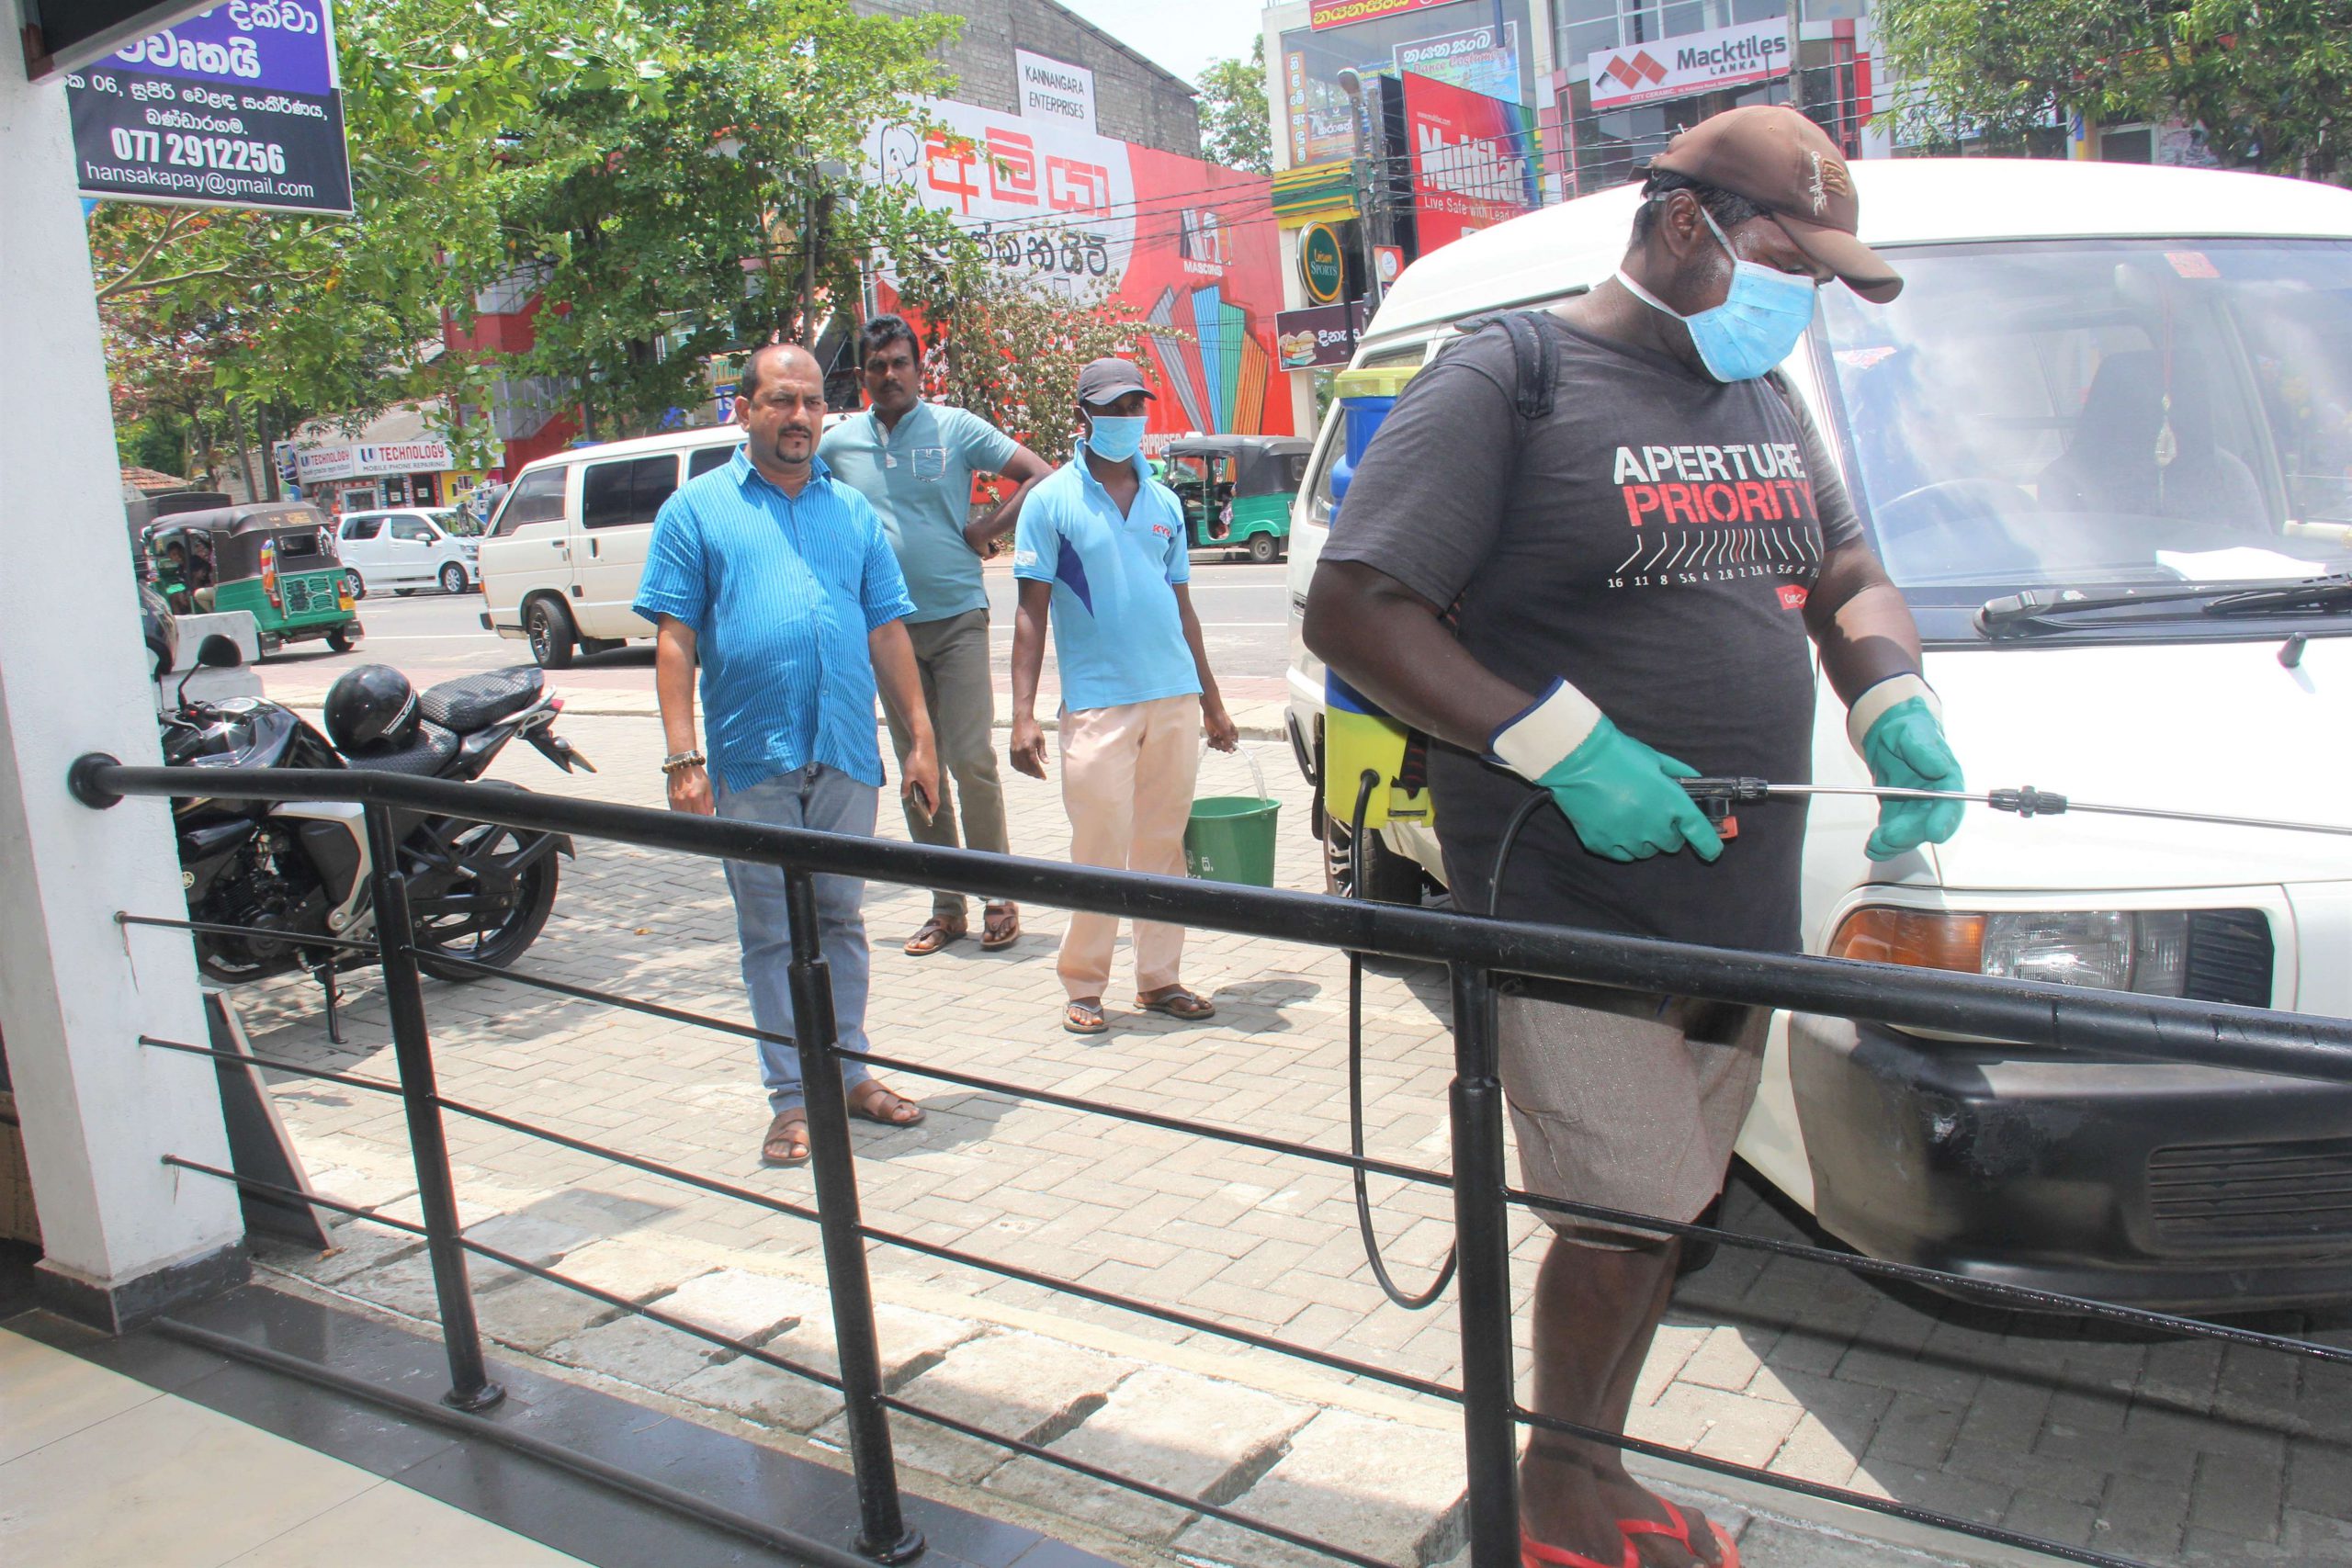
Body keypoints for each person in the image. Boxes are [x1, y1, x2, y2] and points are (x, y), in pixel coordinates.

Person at [1304, 107, 1964, 1568]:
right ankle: (1553, 1499)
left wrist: (1892, 691)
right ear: (1684, 225)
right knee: (1626, 1208)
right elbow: (1352, 606)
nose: (1809, 303)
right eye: (1793, 265)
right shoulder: (1512, 378)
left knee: (1668, 1208)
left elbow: (1846, 566)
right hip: (1565, 892)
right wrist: (1568, 744)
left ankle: (1589, 1467)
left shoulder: (1766, 397)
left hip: (1732, 897)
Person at [637, 341, 942, 1169]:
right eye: (781, 400)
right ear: (745, 409)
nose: (800, 416)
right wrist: (680, 757)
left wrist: (921, 740)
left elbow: (886, 629)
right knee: (770, 933)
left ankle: (848, 1074)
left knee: (841, 922)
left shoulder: (851, 515)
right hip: (751, 754)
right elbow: (674, 638)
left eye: (811, 401)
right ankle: (790, 1099)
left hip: (844, 748)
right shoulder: (696, 511)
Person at [1008, 356, 1240, 1035]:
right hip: (1098, 703)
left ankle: (1160, 978)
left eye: (1135, 406)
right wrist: (1022, 715)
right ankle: (1084, 983)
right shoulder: (1051, 501)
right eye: (1111, 409)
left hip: (1171, 695)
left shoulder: (1166, 501)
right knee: (1100, 846)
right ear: (1083, 416)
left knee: (1163, 845)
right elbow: (1030, 612)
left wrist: (1213, 703)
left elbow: (1184, 611)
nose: (1125, 420)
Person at [819, 313, 1055, 957]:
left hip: (955, 617)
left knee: (969, 757)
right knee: (915, 764)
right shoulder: (837, 446)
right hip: (884, 628)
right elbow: (795, 490)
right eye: (877, 365)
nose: (889, 374)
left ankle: (999, 896)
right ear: (862, 375)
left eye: (900, 362)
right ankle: (946, 905)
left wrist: (985, 529)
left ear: (919, 369)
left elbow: (1040, 474)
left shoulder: (955, 427)